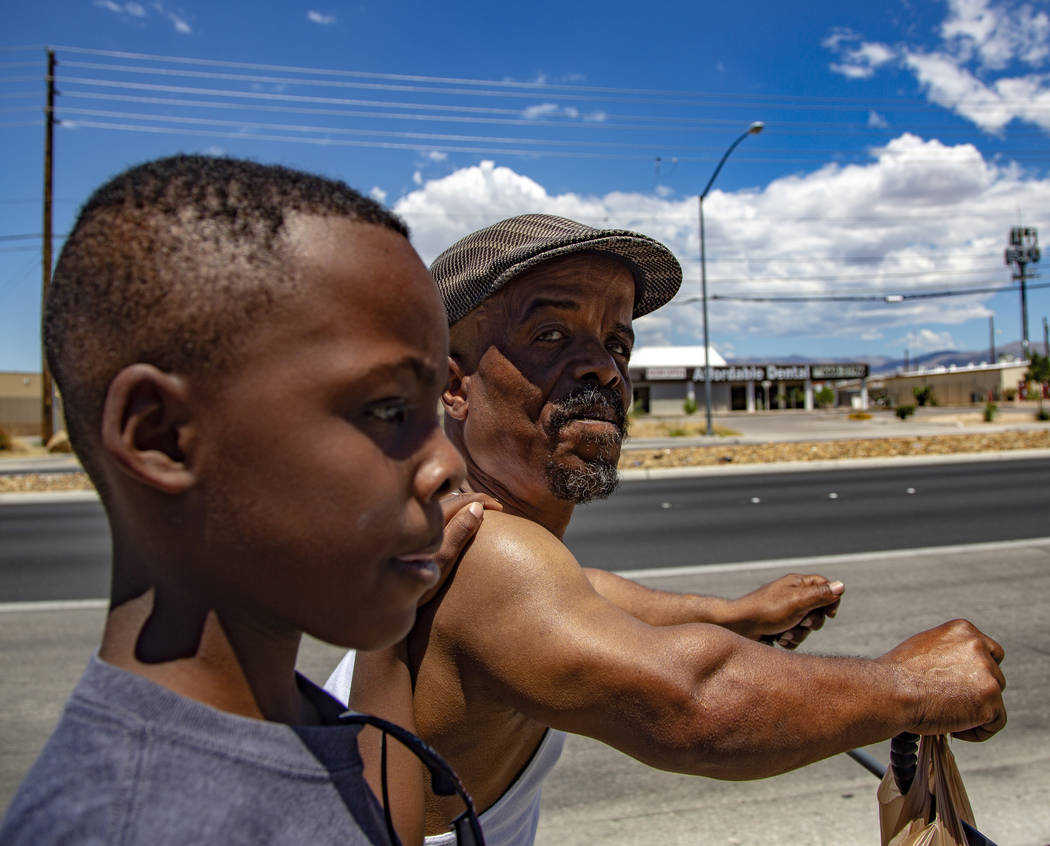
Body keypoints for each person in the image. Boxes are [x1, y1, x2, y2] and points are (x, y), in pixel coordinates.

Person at [330, 213, 1007, 846]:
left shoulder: (463, 537)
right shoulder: (493, 560)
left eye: (617, 341)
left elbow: (583, 594)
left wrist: (733, 615)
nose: (604, 366)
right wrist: (917, 686)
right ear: (454, 385)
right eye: (551, 336)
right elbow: (695, 705)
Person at [0, 155, 485, 845]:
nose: (447, 464)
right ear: (163, 437)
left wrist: (401, 627)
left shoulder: (285, 714)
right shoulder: (125, 823)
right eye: (386, 409)